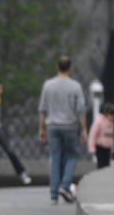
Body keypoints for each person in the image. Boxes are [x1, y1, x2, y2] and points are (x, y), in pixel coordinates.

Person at [37, 55, 87, 204]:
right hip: (70, 126)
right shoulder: (75, 86)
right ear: (70, 68)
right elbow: (81, 110)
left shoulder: (48, 85)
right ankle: (65, 186)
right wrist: (84, 129)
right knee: (72, 155)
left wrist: (41, 128)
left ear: (57, 67)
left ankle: (53, 194)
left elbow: (42, 109)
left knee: (55, 157)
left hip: (52, 126)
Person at [87, 102, 114, 168]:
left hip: (107, 146)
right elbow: (93, 134)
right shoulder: (99, 121)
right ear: (107, 113)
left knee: (107, 164)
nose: (113, 118)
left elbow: (110, 136)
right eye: (112, 115)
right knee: (101, 164)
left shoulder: (111, 122)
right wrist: (92, 148)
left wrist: (111, 147)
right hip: (100, 146)